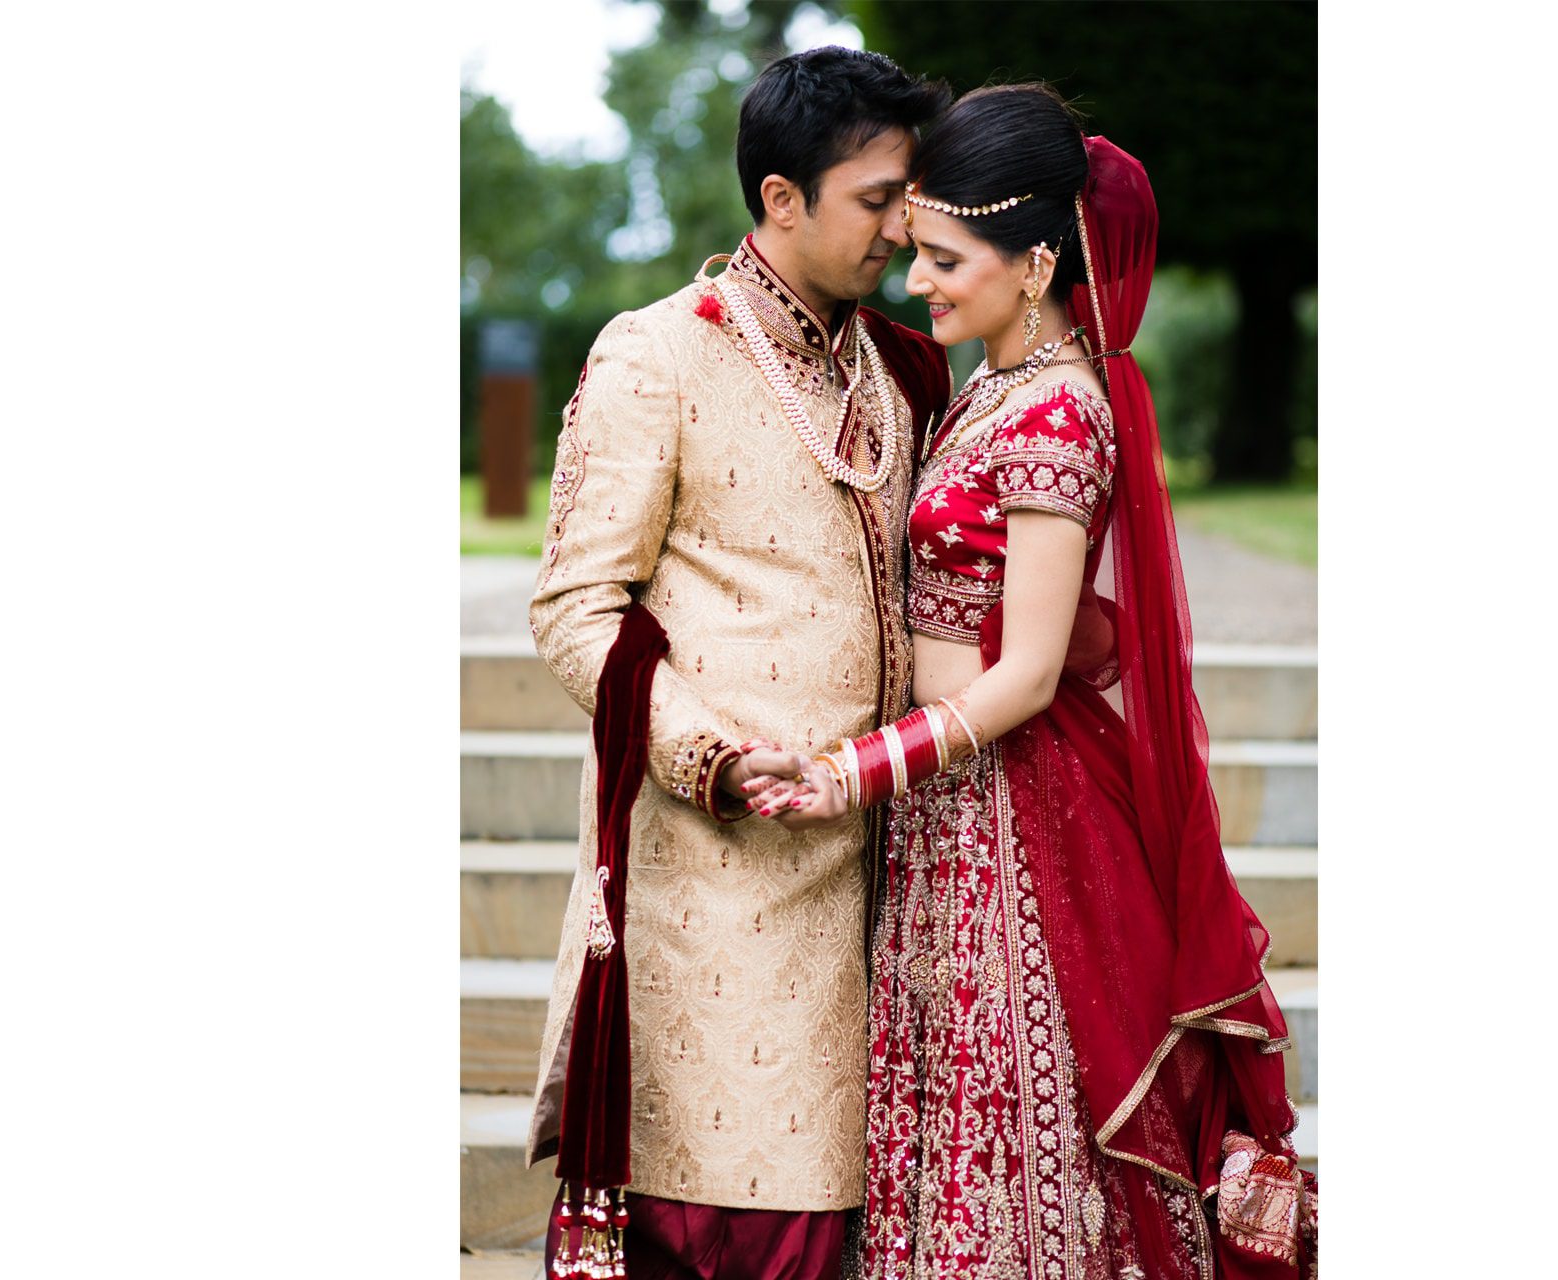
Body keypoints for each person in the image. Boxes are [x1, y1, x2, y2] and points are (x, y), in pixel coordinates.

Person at [747, 85, 1316, 1279]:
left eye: (946, 259)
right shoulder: (988, 390)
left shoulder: (1060, 412)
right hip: (949, 813)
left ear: (1037, 257)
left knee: (1015, 1143)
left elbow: (1030, 672)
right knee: (951, 1124)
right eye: (916, 253)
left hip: (1013, 818)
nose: (919, 284)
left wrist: (854, 769)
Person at [522, 47, 954, 1280]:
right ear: (781, 199)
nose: (900, 225)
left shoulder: (899, 367)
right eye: (877, 198)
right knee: (733, 1222)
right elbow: (572, 604)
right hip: (713, 870)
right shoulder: (655, 355)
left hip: (876, 862)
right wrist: (707, 752)